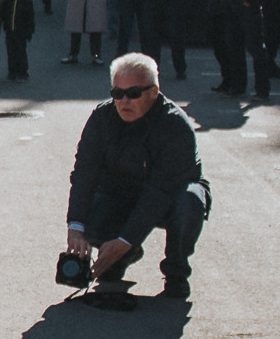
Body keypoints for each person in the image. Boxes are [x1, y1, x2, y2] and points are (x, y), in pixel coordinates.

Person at [65, 53, 208, 300]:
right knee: (90, 217)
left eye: (133, 93)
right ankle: (121, 258)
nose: (124, 101)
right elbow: (84, 173)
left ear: (153, 92)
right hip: (120, 192)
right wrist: (75, 226)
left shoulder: (175, 125)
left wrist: (125, 239)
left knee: (190, 202)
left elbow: (160, 191)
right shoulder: (101, 117)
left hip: (169, 194)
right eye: (117, 94)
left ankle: (176, 273)